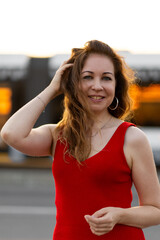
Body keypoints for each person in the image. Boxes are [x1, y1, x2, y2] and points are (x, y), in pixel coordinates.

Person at [1, 40, 160, 240]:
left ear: (116, 85)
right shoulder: (58, 135)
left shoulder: (132, 138)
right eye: (87, 77)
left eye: (106, 78)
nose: (97, 86)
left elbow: (155, 210)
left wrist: (119, 214)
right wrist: (52, 88)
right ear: (73, 83)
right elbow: (10, 134)